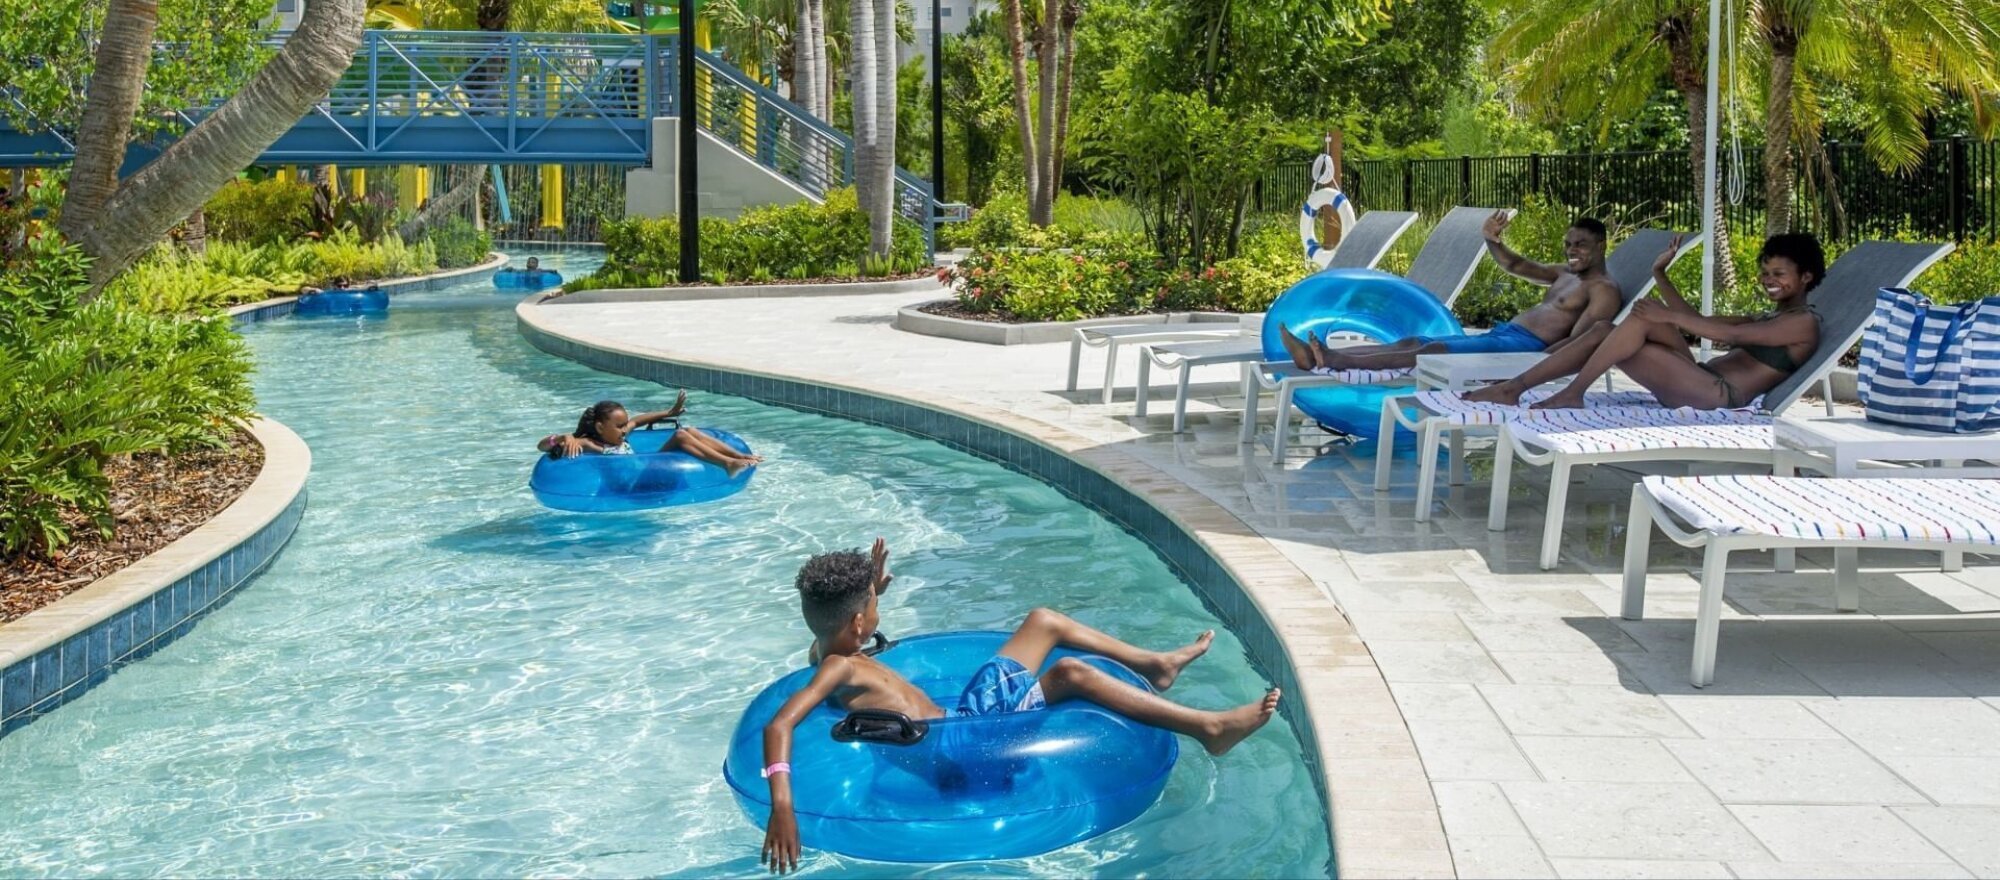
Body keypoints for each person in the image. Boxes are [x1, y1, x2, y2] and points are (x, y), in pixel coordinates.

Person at [758, 539, 1281, 873]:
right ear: (856, 623)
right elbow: (780, 724)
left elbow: (838, 641)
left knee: (1045, 628)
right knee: (1066, 663)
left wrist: (871, 594)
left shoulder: (827, 651)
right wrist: (783, 806)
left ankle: (1157, 669)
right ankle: (1206, 723)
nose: (877, 608)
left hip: (964, 728)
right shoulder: (838, 667)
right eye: (873, 606)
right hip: (963, 748)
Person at [1463, 232, 1825, 410]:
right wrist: (1660, 273)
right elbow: (1696, 321)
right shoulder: (1770, 317)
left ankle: (1571, 392)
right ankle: (1516, 387)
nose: (1768, 280)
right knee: (1607, 328)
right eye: (1765, 273)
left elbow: (1727, 333)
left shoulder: (1803, 324)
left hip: (1717, 394)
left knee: (1639, 320)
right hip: (1697, 376)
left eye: (1779, 273)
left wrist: (1663, 315)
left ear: (1806, 276)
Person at [1278, 213, 1624, 373]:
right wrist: (1492, 241)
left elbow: (1579, 343)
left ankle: (1329, 360)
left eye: (1580, 244)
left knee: (1432, 350)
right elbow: (1517, 266)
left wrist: (1529, 368)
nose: (1572, 250)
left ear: (1601, 244)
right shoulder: (1566, 274)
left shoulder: (1603, 291)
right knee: (1412, 342)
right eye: (1568, 244)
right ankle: (1326, 355)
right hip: (1507, 335)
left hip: (1524, 348)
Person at [537, 392, 763, 476]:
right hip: (633, 482)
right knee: (680, 437)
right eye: (619, 426)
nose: (625, 429)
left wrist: (669, 412)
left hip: (645, 473)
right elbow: (542, 446)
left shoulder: (623, 433)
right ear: (599, 428)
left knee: (689, 431)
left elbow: (639, 420)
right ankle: (726, 464)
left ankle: (739, 457)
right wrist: (565, 437)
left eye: (624, 424)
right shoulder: (593, 445)